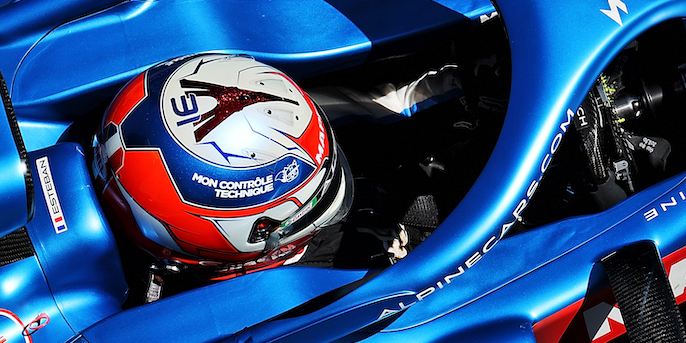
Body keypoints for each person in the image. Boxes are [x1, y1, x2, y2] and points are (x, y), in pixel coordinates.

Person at [92, 52, 472, 303]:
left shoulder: (283, 119)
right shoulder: (297, 304)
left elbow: (377, 109)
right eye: (310, 206)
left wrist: (472, 77)